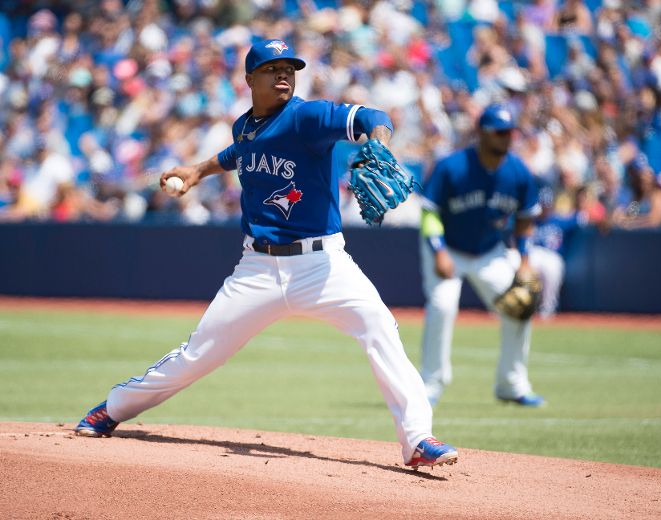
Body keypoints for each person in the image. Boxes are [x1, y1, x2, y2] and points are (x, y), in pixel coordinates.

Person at [74, 39, 457, 469]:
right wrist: (198, 170)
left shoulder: (308, 116)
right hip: (256, 267)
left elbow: (372, 117)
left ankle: (418, 439)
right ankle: (114, 407)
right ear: (249, 79)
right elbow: (239, 152)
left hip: (323, 264)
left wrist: (379, 144)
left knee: (379, 326)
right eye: (272, 69)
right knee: (199, 352)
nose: (283, 76)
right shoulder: (245, 126)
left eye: (289, 69)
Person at [418, 103, 545, 407]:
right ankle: (430, 384)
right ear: (481, 133)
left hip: (490, 251)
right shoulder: (453, 166)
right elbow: (429, 214)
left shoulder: (518, 173)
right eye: (499, 132)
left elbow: (526, 219)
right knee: (443, 305)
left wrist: (525, 262)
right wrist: (438, 252)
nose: (506, 137)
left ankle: (511, 384)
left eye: (510, 132)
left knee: (520, 306)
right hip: (447, 246)